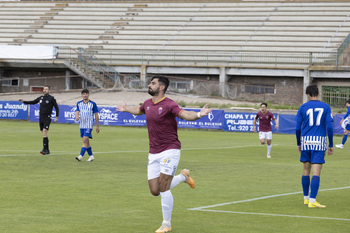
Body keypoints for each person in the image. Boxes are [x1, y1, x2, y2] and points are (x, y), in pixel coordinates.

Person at [116, 75, 212, 233]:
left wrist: (199, 114)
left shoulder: (169, 104)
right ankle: (183, 177)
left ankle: (166, 224)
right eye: (150, 82)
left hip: (170, 149)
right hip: (153, 152)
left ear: (161, 87)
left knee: (164, 187)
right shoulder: (147, 103)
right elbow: (139, 110)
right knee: (155, 190)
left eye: (153, 83)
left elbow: (184, 114)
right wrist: (126, 109)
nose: (149, 85)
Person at [295, 84, 333, 208]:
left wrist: (299, 143)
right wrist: (331, 144)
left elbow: (297, 128)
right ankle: (312, 201)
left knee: (306, 170)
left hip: (306, 141)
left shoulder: (303, 107)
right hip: (319, 142)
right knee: (316, 172)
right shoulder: (326, 107)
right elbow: (330, 127)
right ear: (319, 93)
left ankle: (306, 198)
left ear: (307, 95)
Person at [19, 85, 59, 155]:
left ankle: (45, 149)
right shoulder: (41, 98)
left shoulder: (51, 98)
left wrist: (56, 117)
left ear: (49, 91)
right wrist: (24, 101)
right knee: (43, 133)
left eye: (46, 89)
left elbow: (56, 107)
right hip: (41, 117)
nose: (45, 90)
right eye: (44, 89)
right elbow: (33, 102)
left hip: (47, 117)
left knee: (44, 131)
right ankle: (47, 149)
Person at [75, 89, 100, 162]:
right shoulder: (79, 103)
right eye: (83, 94)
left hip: (89, 125)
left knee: (85, 139)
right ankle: (91, 156)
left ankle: (80, 156)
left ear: (88, 95)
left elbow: (96, 115)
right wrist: (77, 116)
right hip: (82, 124)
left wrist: (97, 126)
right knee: (87, 142)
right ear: (81, 95)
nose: (85, 95)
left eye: (86, 94)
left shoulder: (93, 104)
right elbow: (77, 111)